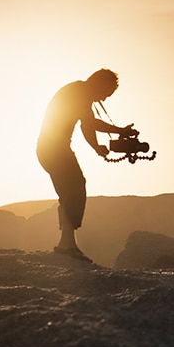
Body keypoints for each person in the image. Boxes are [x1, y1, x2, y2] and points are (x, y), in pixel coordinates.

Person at [37, 69, 138, 262]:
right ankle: (67, 245)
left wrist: (117, 132)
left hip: (49, 149)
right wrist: (98, 147)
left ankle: (66, 243)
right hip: (55, 149)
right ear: (99, 83)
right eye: (106, 93)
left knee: (68, 193)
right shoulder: (80, 93)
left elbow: (89, 122)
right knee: (75, 189)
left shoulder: (77, 91)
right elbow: (88, 125)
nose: (104, 99)